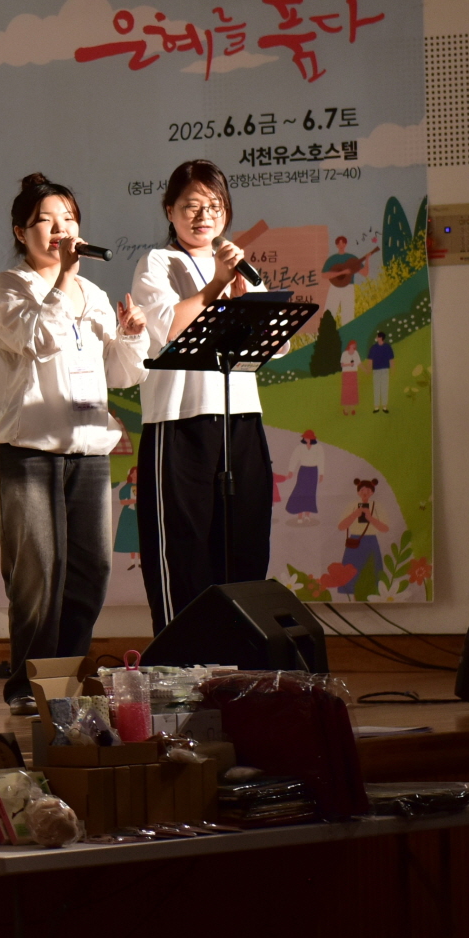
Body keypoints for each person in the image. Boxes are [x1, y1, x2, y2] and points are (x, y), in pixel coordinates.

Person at [0, 173, 147, 707]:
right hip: (28, 448)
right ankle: (28, 686)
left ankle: (64, 682)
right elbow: (35, 338)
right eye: (47, 222)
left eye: (69, 220)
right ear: (20, 231)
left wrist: (131, 336)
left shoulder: (92, 293)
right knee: (36, 574)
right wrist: (62, 281)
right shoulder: (8, 287)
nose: (61, 231)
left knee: (91, 570)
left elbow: (120, 374)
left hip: (88, 447)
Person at [129, 159, 273, 633]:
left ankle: (242, 657)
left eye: (214, 206)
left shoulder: (240, 265)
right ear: (169, 210)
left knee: (245, 542)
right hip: (180, 420)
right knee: (184, 549)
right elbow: (167, 327)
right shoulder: (156, 262)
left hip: (240, 416)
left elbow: (275, 341)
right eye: (191, 206)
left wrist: (243, 294)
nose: (203, 216)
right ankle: (184, 657)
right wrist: (216, 286)